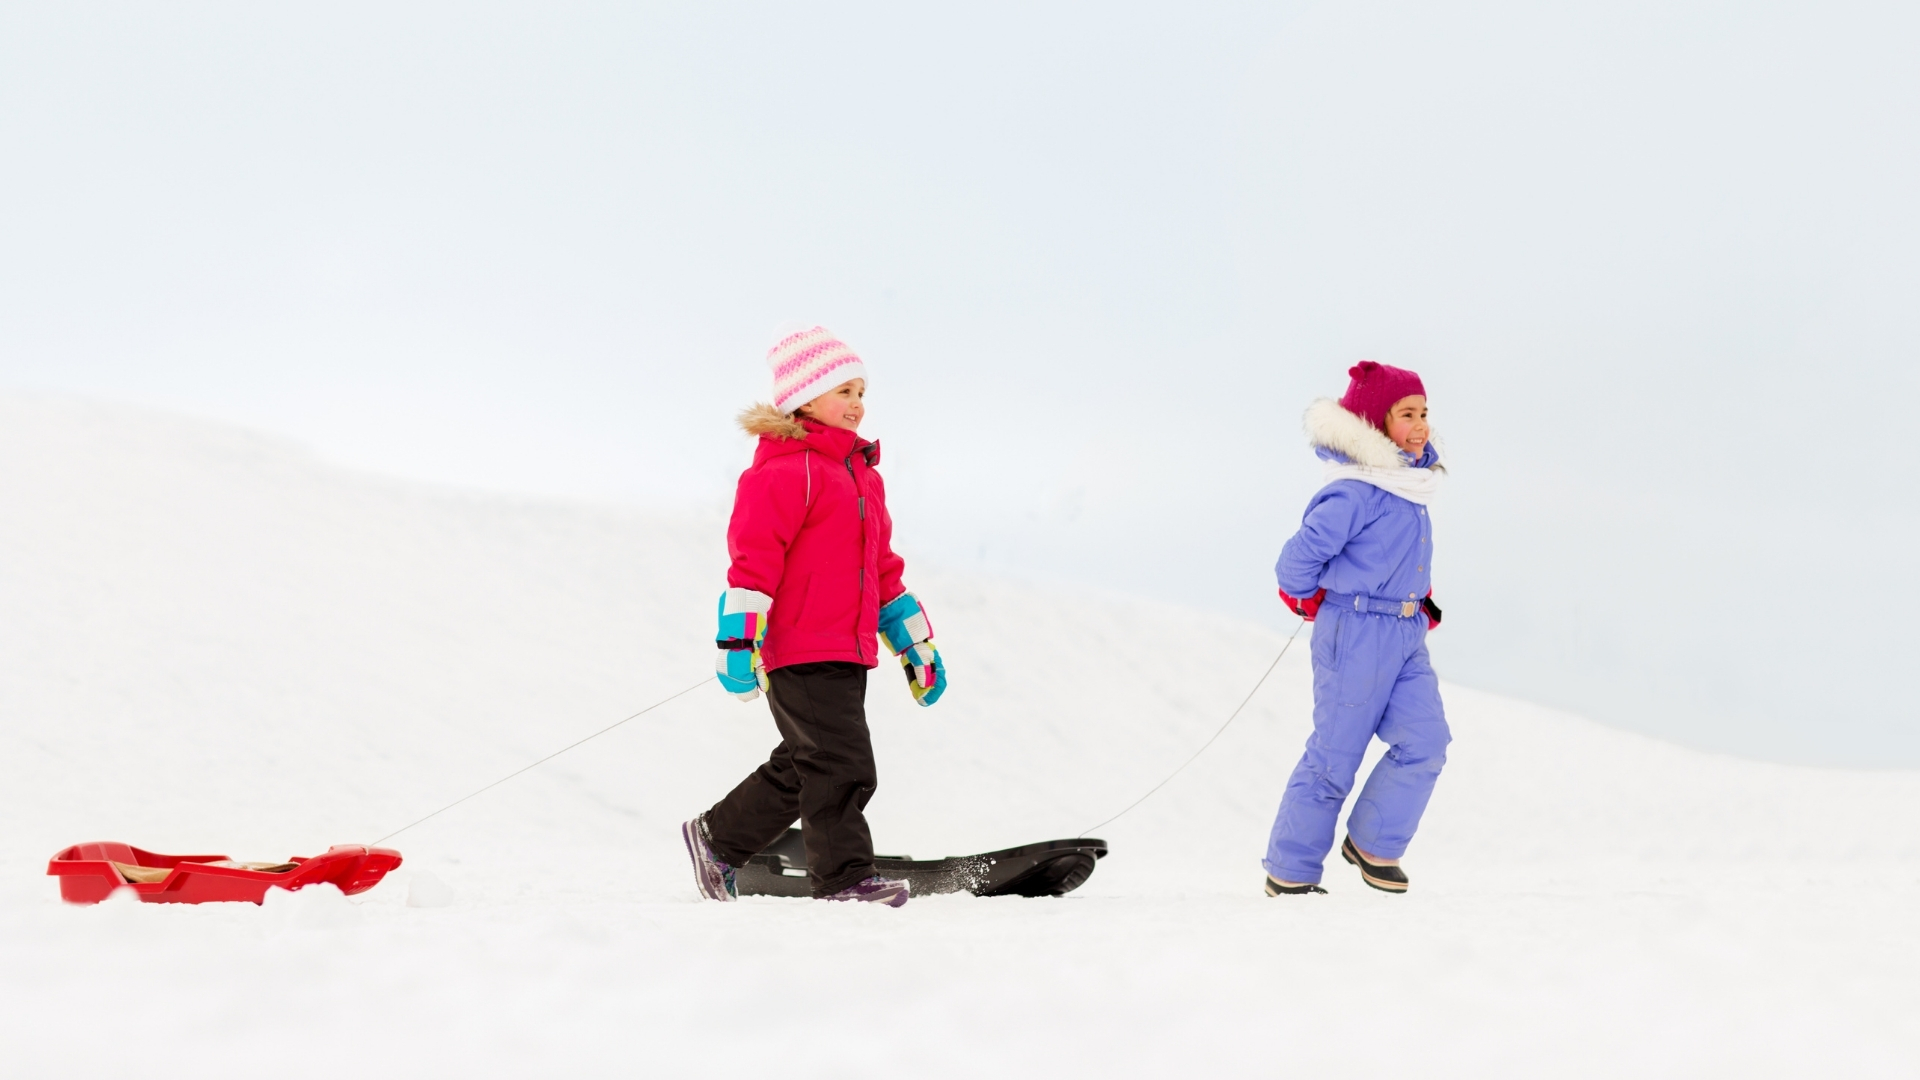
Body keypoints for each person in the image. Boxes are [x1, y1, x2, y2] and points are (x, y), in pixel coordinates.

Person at [681, 326, 947, 907]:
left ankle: (716, 839)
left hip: (848, 647)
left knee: (810, 764)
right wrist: (738, 641)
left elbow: (881, 569)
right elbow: (752, 559)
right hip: (800, 645)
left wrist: (914, 645)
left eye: (860, 392)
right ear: (804, 399)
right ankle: (845, 881)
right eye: (843, 391)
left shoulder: (862, 477)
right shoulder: (784, 470)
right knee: (844, 765)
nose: (856, 404)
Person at [1264, 361, 1450, 896]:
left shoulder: (1409, 489)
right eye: (1406, 414)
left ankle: (1372, 842)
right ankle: (1290, 870)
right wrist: (1315, 599)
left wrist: (1419, 603)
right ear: (1374, 422)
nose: (1420, 426)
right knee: (1334, 756)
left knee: (1426, 740)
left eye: (1424, 414)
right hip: (1355, 633)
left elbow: (1388, 558)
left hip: (1405, 634)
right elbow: (1295, 565)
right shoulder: (1353, 492)